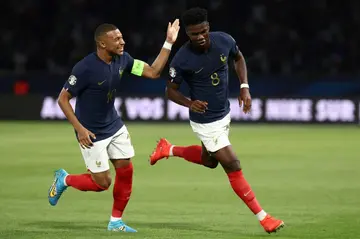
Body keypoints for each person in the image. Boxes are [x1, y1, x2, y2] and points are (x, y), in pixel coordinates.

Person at [150, 8, 284, 234]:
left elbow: (239, 58)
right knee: (232, 164)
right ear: (188, 35)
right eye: (194, 34)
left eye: (203, 31)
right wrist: (189, 103)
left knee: (210, 161)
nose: (200, 36)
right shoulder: (182, 59)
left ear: (208, 27)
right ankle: (264, 218)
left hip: (224, 113)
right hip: (205, 121)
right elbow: (170, 91)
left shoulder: (224, 41)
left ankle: (168, 149)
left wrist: (244, 87)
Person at [48, 20, 180, 232]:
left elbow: (153, 72)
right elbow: (63, 99)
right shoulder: (85, 68)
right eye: (116, 39)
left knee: (126, 170)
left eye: (121, 37)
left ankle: (115, 221)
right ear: (102, 43)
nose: (122, 41)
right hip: (91, 132)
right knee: (102, 183)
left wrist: (168, 42)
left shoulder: (123, 60)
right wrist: (80, 129)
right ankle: (65, 179)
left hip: (114, 125)